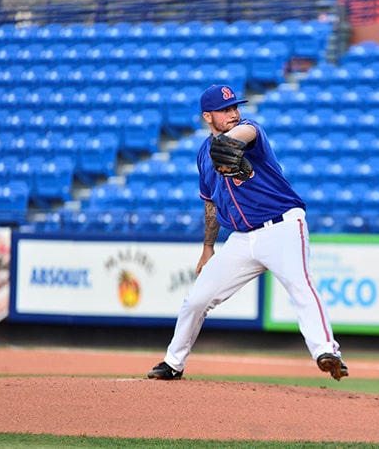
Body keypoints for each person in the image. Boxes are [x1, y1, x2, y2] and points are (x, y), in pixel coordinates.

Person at [147, 84, 347, 381]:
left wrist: (225, 141)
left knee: (300, 286)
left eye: (235, 107)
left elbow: (244, 134)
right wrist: (207, 248)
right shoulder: (203, 155)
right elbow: (211, 203)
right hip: (241, 239)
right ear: (207, 116)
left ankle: (326, 351)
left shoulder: (248, 130)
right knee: (197, 300)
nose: (233, 113)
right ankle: (173, 363)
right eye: (225, 110)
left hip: (282, 227)